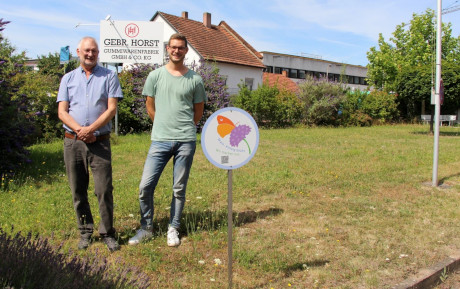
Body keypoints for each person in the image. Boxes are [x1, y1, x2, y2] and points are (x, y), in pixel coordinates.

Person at [129, 33, 206, 247]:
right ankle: (146, 228)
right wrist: (161, 124)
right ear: (167, 49)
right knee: (146, 186)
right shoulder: (155, 76)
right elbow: (149, 106)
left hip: (185, 141)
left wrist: (184, 127)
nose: (176, 51)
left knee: (179, 188)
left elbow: (198, 111)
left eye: (180, 48)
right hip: (160, 139)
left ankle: (173, 227)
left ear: (186, 51)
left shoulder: (195, 80)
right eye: (173, 47)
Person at [57, 36, 123, 252]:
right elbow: (62, 112)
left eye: (94, 51)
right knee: (78, 189)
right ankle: (85, 231)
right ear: (78, 51)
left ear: (98, 53)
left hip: (100, 142)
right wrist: (80, 131)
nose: (90, 54)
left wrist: (91, 130)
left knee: (104, 189)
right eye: (86, 50)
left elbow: (111, 109)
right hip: (73, 142)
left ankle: (107, 232)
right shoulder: (67, 79)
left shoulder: (109, 76)